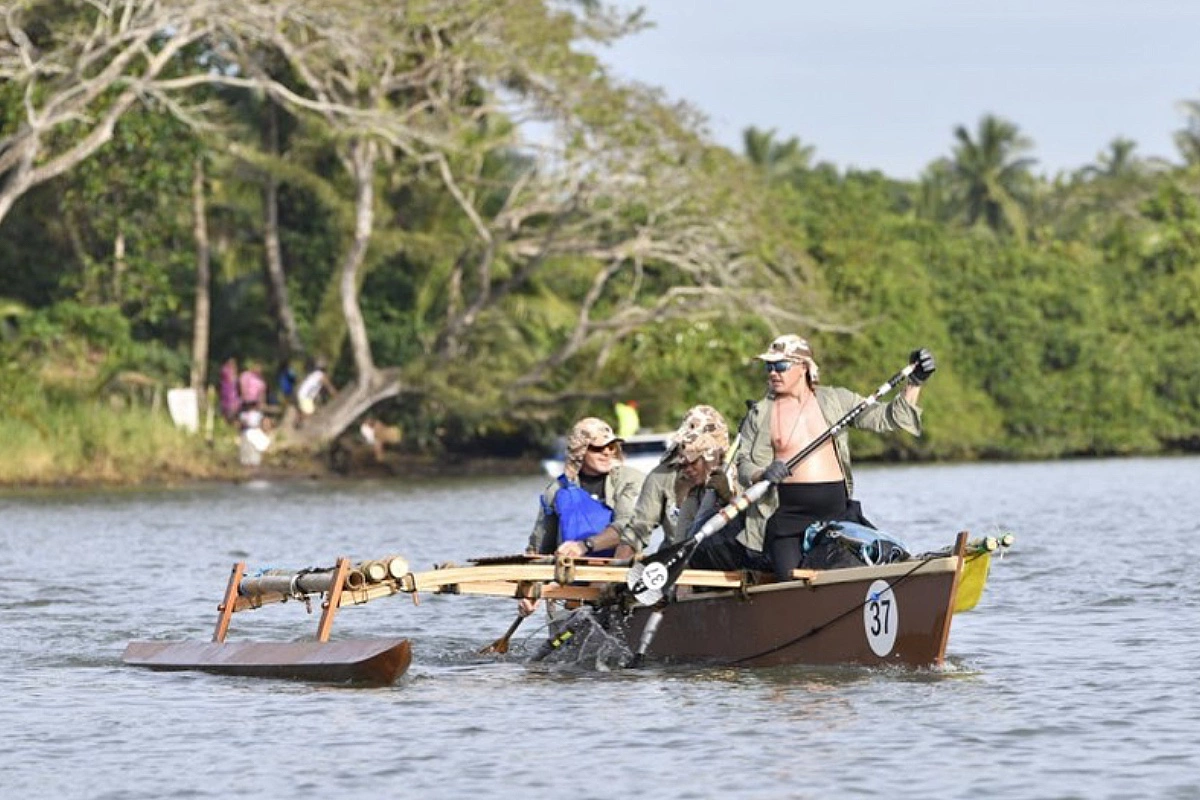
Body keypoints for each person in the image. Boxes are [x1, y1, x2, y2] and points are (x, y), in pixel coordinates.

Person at [693, 334, 935, 579]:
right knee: (791, 583)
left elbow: (888, 418)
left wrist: (915, 382)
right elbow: (744, 464)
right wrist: (761, 473)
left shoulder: (836, 400)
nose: (772, 373)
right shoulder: (760, 413)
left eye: (780, 366)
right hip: (787, 521)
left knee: (876, 564)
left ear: (803, 367)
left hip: (839, 515)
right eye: (769, 366)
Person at [519, 417, 645, 615]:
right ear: (581, 451)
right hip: (571, 584)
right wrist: (530, 592)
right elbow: (540, 548)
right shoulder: (556, 490)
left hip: (619, 576)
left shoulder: (631, 480)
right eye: (598, 448)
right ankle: (577, 606)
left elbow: (627, 528)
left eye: (612, 447)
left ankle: (606, 599)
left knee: (627, 543)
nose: (607, 452)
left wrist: (584, 546)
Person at [615, 405, 732, 559]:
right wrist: (616, 573)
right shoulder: (663, 475)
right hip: (674, 563)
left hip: (724, 561)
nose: (688, 468)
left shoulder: (736, 472)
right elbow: (638, 529)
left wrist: (727, 497)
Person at [218, 357, 240, 423]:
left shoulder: (232, 371)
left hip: (232, 394)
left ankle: (230, 420)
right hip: (227, 393)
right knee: (227, 408)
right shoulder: (225, 370)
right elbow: (231, 379)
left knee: (232, 409)